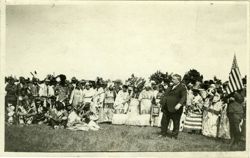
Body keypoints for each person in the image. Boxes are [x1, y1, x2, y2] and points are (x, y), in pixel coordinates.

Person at [160, 74, 187, 139]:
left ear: (178, 80)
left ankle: (174, 136)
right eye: (172, 79)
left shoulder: (182, 88)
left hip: (176, 108)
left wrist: (179, 104)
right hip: (166, 107)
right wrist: (162, 102)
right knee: (164, 121)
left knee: (176, 122)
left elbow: (184, 97)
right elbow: (165, 95)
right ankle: (163, 134)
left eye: (174, 79)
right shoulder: (170, 86)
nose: (172, 80)